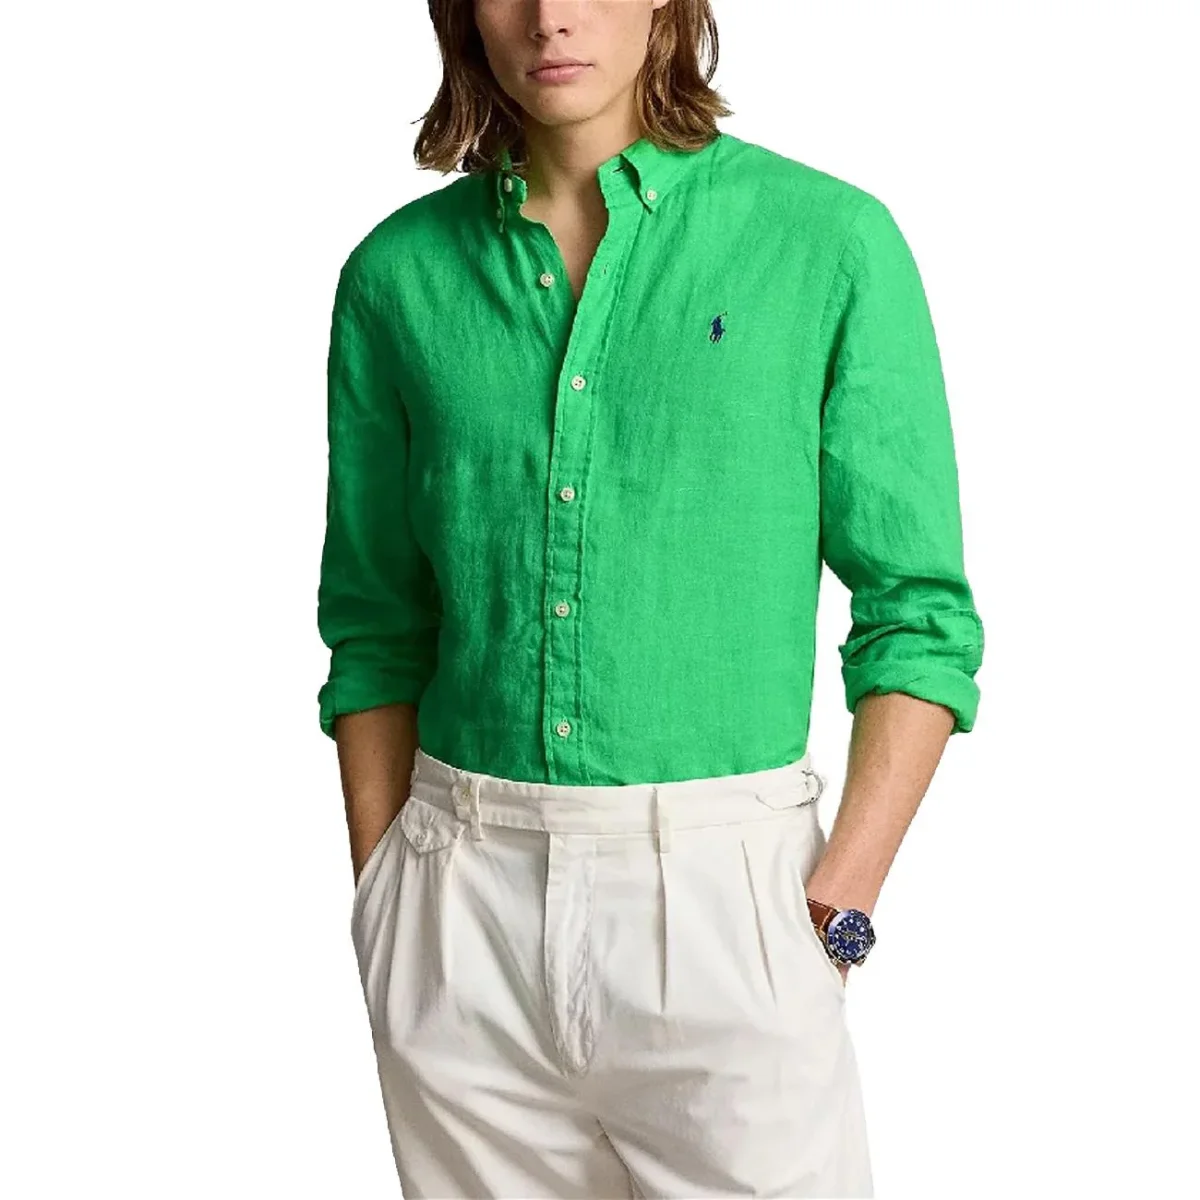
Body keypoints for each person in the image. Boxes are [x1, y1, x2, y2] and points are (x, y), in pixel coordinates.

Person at [316, 1, 984, 1196]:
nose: (551, 17)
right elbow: (377, 622)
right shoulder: (397, 277)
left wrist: (837, 906)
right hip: (458, 901)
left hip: (729, 902)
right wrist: (385, 899)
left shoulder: (826, 243)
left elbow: (918, 616)